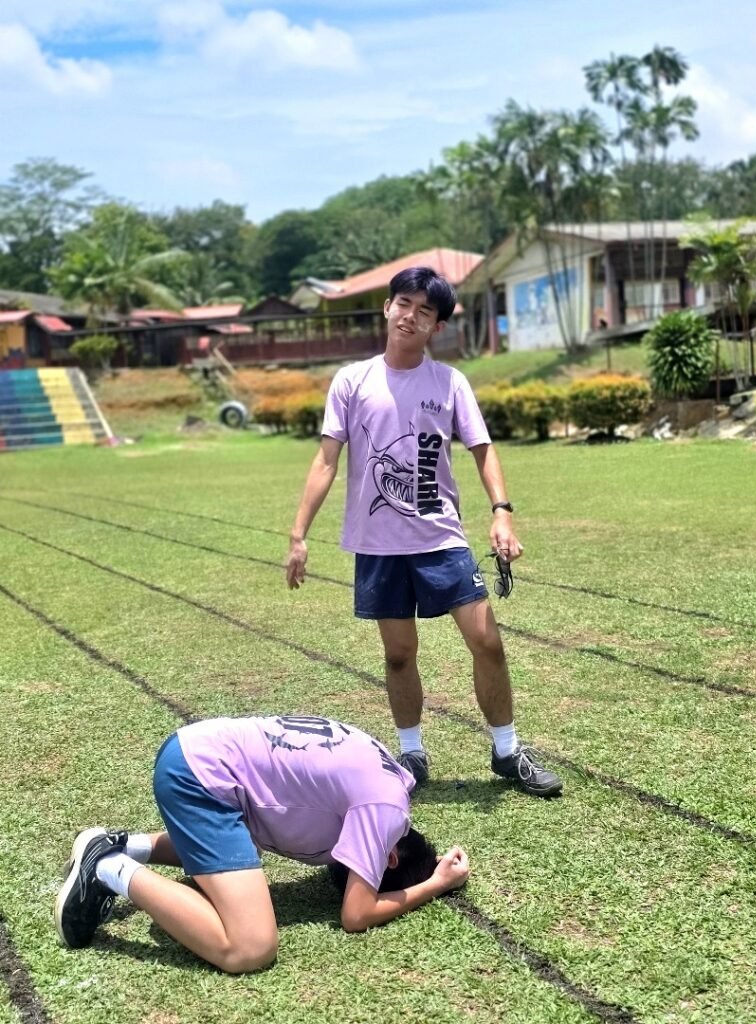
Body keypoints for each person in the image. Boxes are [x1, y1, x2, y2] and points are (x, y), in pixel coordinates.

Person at [286, 266, 562, 798]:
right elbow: (325, 461)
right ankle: (411, 753)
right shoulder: (351, 381)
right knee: (399, 654)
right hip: (378, 546)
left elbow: (483, 450)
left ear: (437, 326)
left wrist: (501, 512)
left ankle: (507, 751)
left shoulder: (449, 382)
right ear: (387, 308)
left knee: (487, 642)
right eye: (403, 303)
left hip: (441, 538)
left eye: (425, 310)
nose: (410, 316)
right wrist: (299, 535)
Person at [55, 714, 469, 973]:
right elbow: (356, 915)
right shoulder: (386, 811)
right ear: (390, 857)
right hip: (201, 777)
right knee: (251, 947)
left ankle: (124, 845)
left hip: (197, 748)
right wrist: (436, 884)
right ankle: (108, 868)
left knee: (243, 856)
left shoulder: (392, 775)